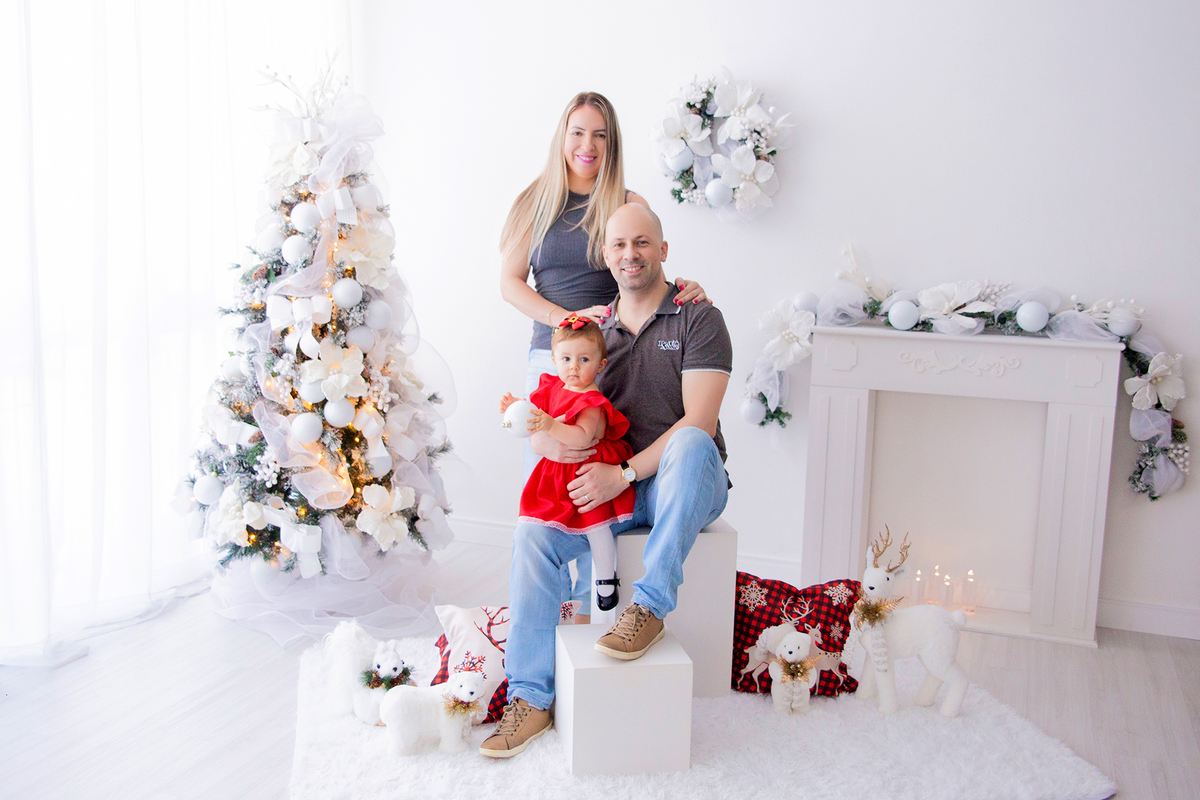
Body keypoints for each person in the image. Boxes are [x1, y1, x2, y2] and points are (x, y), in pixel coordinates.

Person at [480, 203, 732, 759]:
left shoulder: (697, 317)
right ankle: (530, 697)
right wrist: (543, 433)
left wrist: (621, 474)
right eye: (618, 246)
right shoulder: (598, 332)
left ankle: (650, 608)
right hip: (618, 488)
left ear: (662, 251)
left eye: (642, 243)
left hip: (684, 481)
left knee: (689, 441)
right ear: (605, 256)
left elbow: (702, 422)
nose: (630, 255)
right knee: (533, 536)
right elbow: (562, 424)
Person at [499, 91, 708, 620]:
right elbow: (509, 283)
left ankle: (600, 613)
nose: (587, 145)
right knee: (550, 491)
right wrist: (562, 321)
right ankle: (560, 615)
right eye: (577, 132)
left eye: (599, 135)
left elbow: (644, 261)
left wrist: (685, 287)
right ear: (561, 137)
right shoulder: (534, 201)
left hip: (607, 361)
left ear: (611, 143)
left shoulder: (623, 198)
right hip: (549, 359)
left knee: (590, 483)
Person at [499, 317, 634, 613]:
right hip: (556, 474)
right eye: (566, 359)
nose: (573, 367)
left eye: (583, 359)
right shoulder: (553, 388)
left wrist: (549, 425)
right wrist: (515, 407)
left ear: (600, 364)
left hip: (586, 473)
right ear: (554, 360)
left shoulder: (593, 401)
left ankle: (605, 579)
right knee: (543, 523)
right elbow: (532, 414)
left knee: (595, 525)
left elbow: (582, 437)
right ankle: (559, 603)